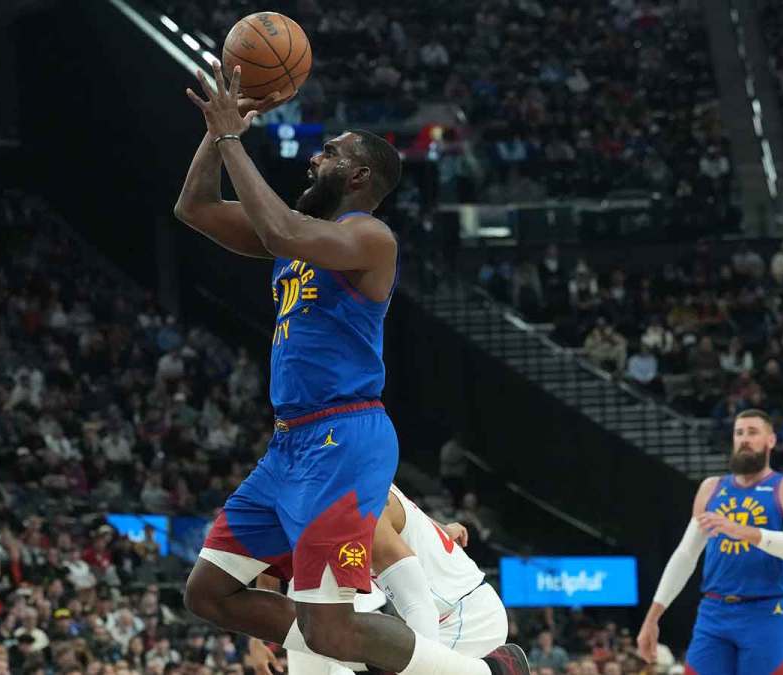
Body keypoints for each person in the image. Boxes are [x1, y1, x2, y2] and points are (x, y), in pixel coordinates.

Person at [175, 59, 527, 675]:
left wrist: (235, 137)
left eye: (330, 152)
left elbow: (281, 229)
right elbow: (195, 208)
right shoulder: (296, 232)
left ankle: (479, 672)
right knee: (209, 593)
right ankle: (354, 641)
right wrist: (215, 130)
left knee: (330, 628)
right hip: (289, 446)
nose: (315, 157)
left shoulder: (369, 237)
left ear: (359, 174)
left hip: (345, 436)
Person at [248, 484, 508, 675]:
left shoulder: (359, 504)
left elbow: (420, 606)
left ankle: (499, 670)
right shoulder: (302, 499)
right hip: (437, 613)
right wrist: (256, 641)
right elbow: (268, 574)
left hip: (465, 618)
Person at [636, 409, 783, 674]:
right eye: (739, 433)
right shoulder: (711, 487)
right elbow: (685, 555)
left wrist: (743, 530)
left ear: (771, 441)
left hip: (766, 612)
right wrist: (652, 617)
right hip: (714, 611)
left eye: (752, 432)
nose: (744, 439)